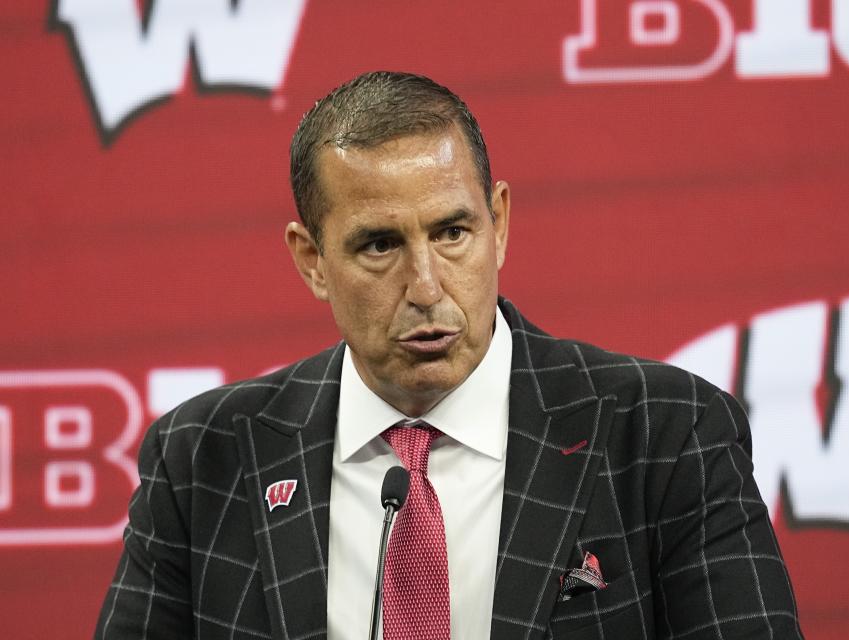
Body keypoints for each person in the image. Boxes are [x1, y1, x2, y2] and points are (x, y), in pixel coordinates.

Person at [95, 71, 803, 639]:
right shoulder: (205, 459)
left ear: (499, 225)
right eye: (380, 245)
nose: (427, 287)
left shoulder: (662, 433)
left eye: (453, 232)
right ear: (312, 261)